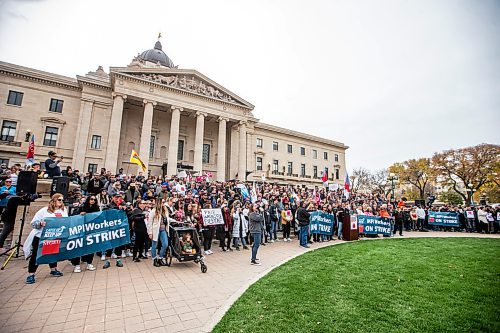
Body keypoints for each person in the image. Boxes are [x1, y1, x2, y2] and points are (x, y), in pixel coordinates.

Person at [23, 193, 66, 284]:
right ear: (54, 200)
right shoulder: (44, 211)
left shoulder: (63, 210)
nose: (61, 202)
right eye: (59, 200)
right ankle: (31, 274)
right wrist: (40, 223)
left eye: (62, 200)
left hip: (54, 237)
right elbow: (33, 223)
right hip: (41, 236)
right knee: (36, 255)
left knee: (53, 253)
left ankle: (53, 269)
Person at [71, 196, 99, 272]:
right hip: (81, 229)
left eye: (94, 199)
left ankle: (89, 263)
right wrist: (80, 214)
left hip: (91, 229)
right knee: (79, 247)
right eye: (91, 199)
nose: (93, 201)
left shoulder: (97, 208)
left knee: (91, 247)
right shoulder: (82, 207)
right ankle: (77, 265)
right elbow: (73, 217)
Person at [147, 199, 169, 267]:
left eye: (164, 202)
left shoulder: (165, 211)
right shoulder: (153, 211)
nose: (163, 203)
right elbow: (149, 222)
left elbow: (167, 219)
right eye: (162, 202)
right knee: (154, 245)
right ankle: (154, 259)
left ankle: (160, 258)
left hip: (163, 229)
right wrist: (150, 232)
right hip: (155, 230)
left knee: (165, 244)